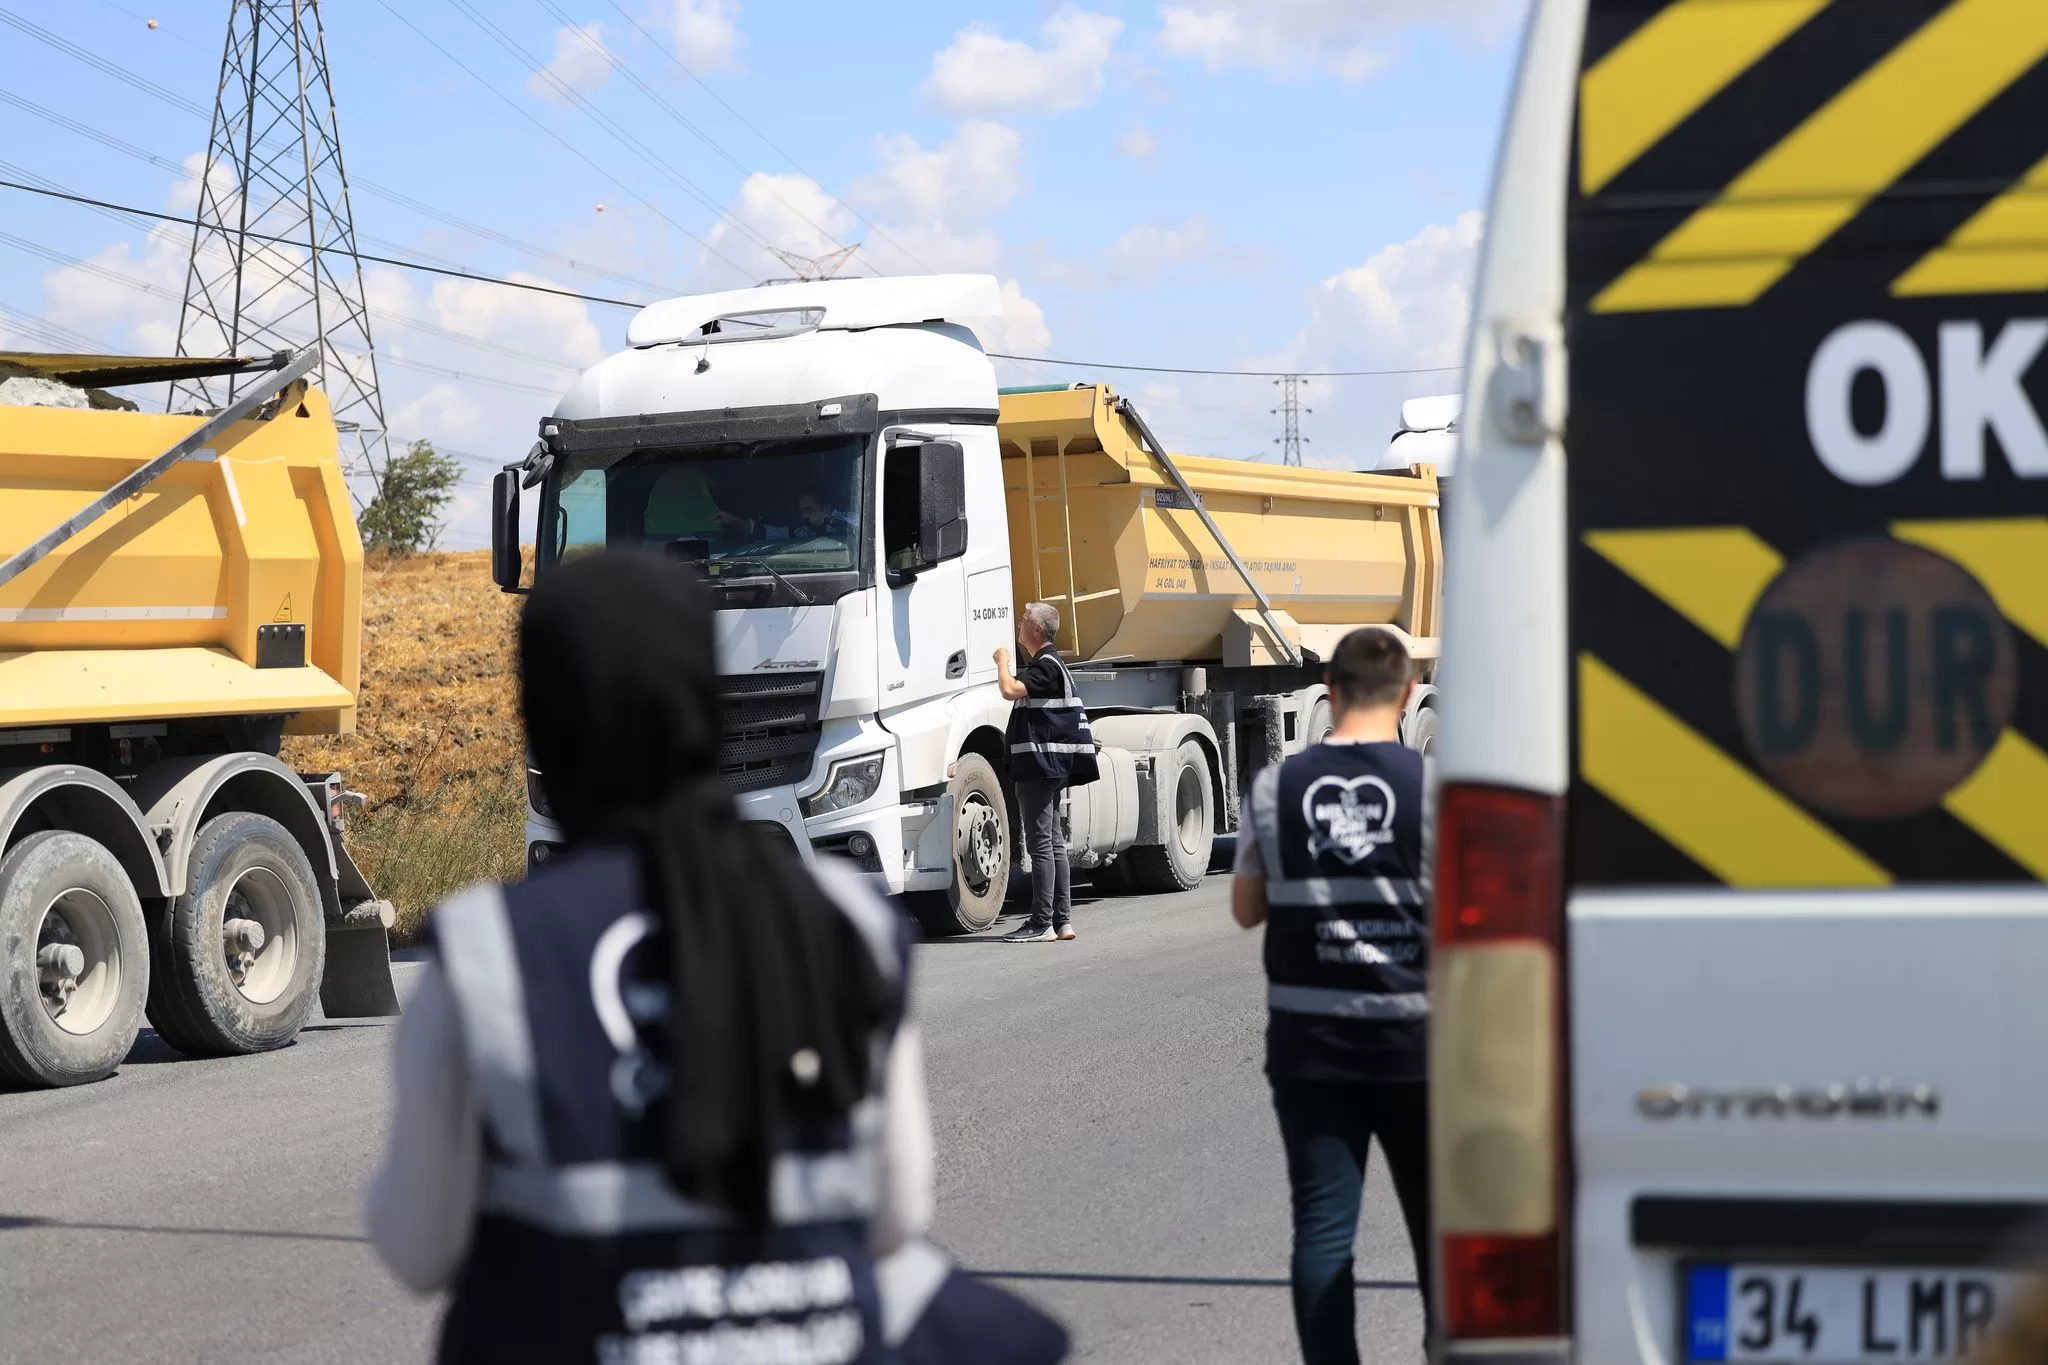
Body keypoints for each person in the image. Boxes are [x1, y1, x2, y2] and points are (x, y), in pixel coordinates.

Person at [365, 550, 937, 1363]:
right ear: (705, 691)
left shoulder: (489, 950)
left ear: (549, 714)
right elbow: (900, 1212)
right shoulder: (850, 921)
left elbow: (417, 1246)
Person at [1231, 627, 1434, 1365]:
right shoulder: (1434, 788)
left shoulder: (1274, 786)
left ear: (1329, 689)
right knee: (1442, 1229)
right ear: (1408, 693)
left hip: (1310, 1048)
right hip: (1421, 1048)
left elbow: (1248, 910)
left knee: (1322, 1229)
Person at [993, 601, 1098, 943]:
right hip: (1050, 767)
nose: (1019, 624)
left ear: (1037, 630)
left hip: (1039, 767)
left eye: (1024, 620)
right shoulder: (1053, 665)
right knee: (1053, 845)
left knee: (1041, 846)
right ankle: (1062, 921)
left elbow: (1009, 690)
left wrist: (1002, 662)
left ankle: (1041, 923)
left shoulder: (1046, 665)